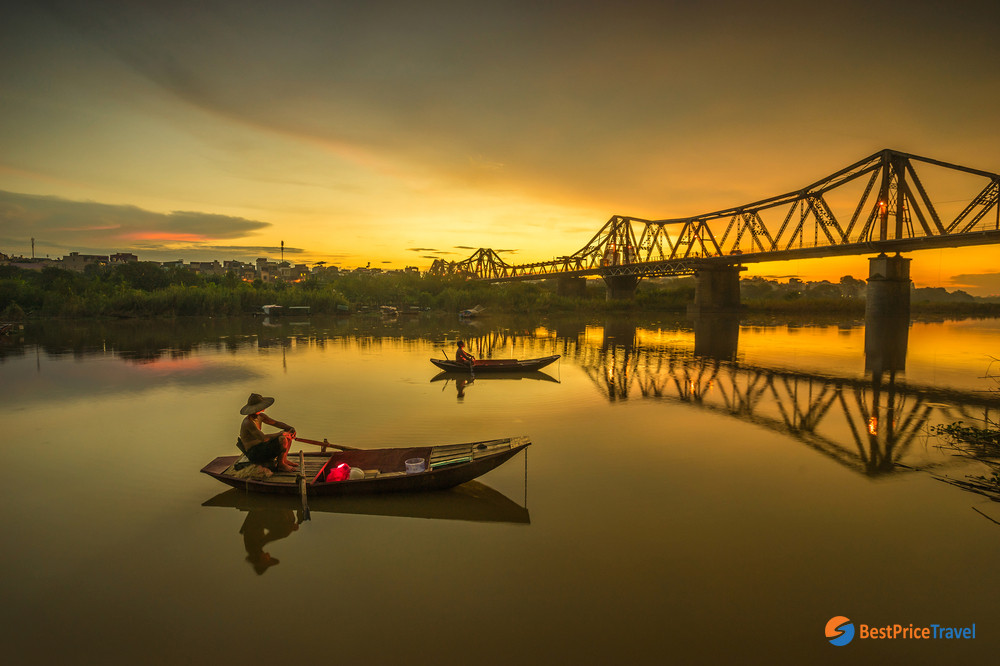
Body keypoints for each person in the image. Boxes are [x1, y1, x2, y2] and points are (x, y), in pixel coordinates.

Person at [238, 393, 296, 473]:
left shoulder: (261, 416)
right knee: (282, 438)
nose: (263, 409)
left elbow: (275, 423)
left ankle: (284, 460)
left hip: (260, 446)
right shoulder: (248, 422)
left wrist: (289, 428)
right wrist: (281, 433)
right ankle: (281, 465)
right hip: (254, 452)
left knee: (288, 436)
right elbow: (263, 438)